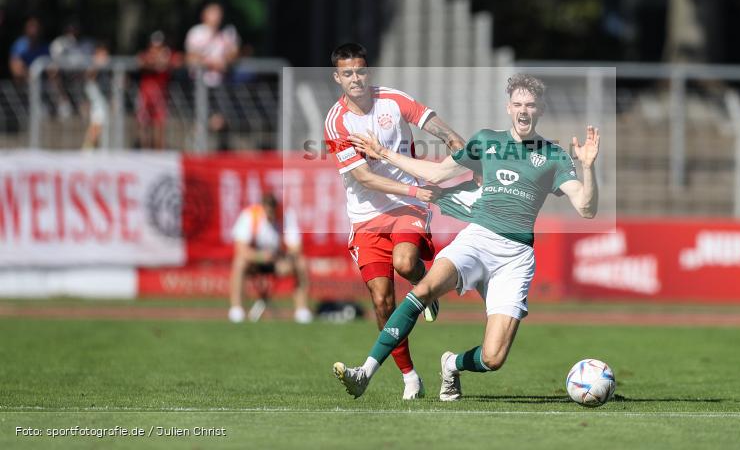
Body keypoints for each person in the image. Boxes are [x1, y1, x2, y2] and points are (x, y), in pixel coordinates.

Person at [333, 74, 599, 401]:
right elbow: (435, 173)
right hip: (477, 239)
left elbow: (586, 208)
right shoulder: (487, 141)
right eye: (517, 104)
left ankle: (452, 364)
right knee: (424, 290)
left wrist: (588, 168)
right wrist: (384, 154)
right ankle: (365, 371)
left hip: (516, 258)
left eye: (530, 104)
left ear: (540, 108)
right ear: (508, 107)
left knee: (493, 358)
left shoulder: (554, 156)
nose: (523, 111)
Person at [324, 42, 467, 400]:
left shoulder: (392, 99)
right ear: (337, 78)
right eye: (347, 73)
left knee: (405, 263)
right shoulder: (336, 121)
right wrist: (414, 192)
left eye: (360, 71)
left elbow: (434, 125)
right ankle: (410, 378)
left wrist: (456, 143)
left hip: (407, 207)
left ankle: (425, 287)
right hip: (367, 216)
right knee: (382, 301)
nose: (355, 79)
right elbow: (364, 179)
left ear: (367, 72)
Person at [229, 192, 313, 324]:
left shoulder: (285, 216)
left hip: (277, 261)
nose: (271, 214)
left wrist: (288, 259)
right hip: (255, 262)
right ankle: (237, 310)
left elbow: (295, 247)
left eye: (273, 210)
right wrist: (260, 257)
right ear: (262, 207)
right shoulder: (250, 215)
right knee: (239, 262)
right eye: (268, 210)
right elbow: (241, 249)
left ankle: (301, 311)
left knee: (301, 263)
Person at [185, 2, 240, 150]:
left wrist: (227, 58)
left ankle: (211, 146)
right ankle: (196, 147)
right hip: (200, 83)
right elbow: (190, 57)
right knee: (201, 118)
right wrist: (210, 63)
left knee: (220, 120)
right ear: (205, 15)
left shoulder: (227, 33)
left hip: (219, 83)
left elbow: (233, 55)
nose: (217, 17)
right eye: (214, 13)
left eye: (219, 13)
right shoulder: (196, 33)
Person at [136, 31, 176, 150]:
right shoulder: (146, 55)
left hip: (160, 95)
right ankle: (144, 151)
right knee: (143, 123)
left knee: (159, 124)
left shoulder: (167, 54)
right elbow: (141, 61)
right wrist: (155, 63)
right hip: (146, 94)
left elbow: (176, 60)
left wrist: (162, 62)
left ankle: (158, 152)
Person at [8, 17, 49, 83]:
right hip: (24, 82)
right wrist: (32, 76)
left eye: (36, 27)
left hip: (43, 82)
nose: (34, 30)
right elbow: (16, 67)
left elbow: (50, 66)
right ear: (26, 29)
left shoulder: (45, 47)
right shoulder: (19, 45)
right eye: (31, 27)